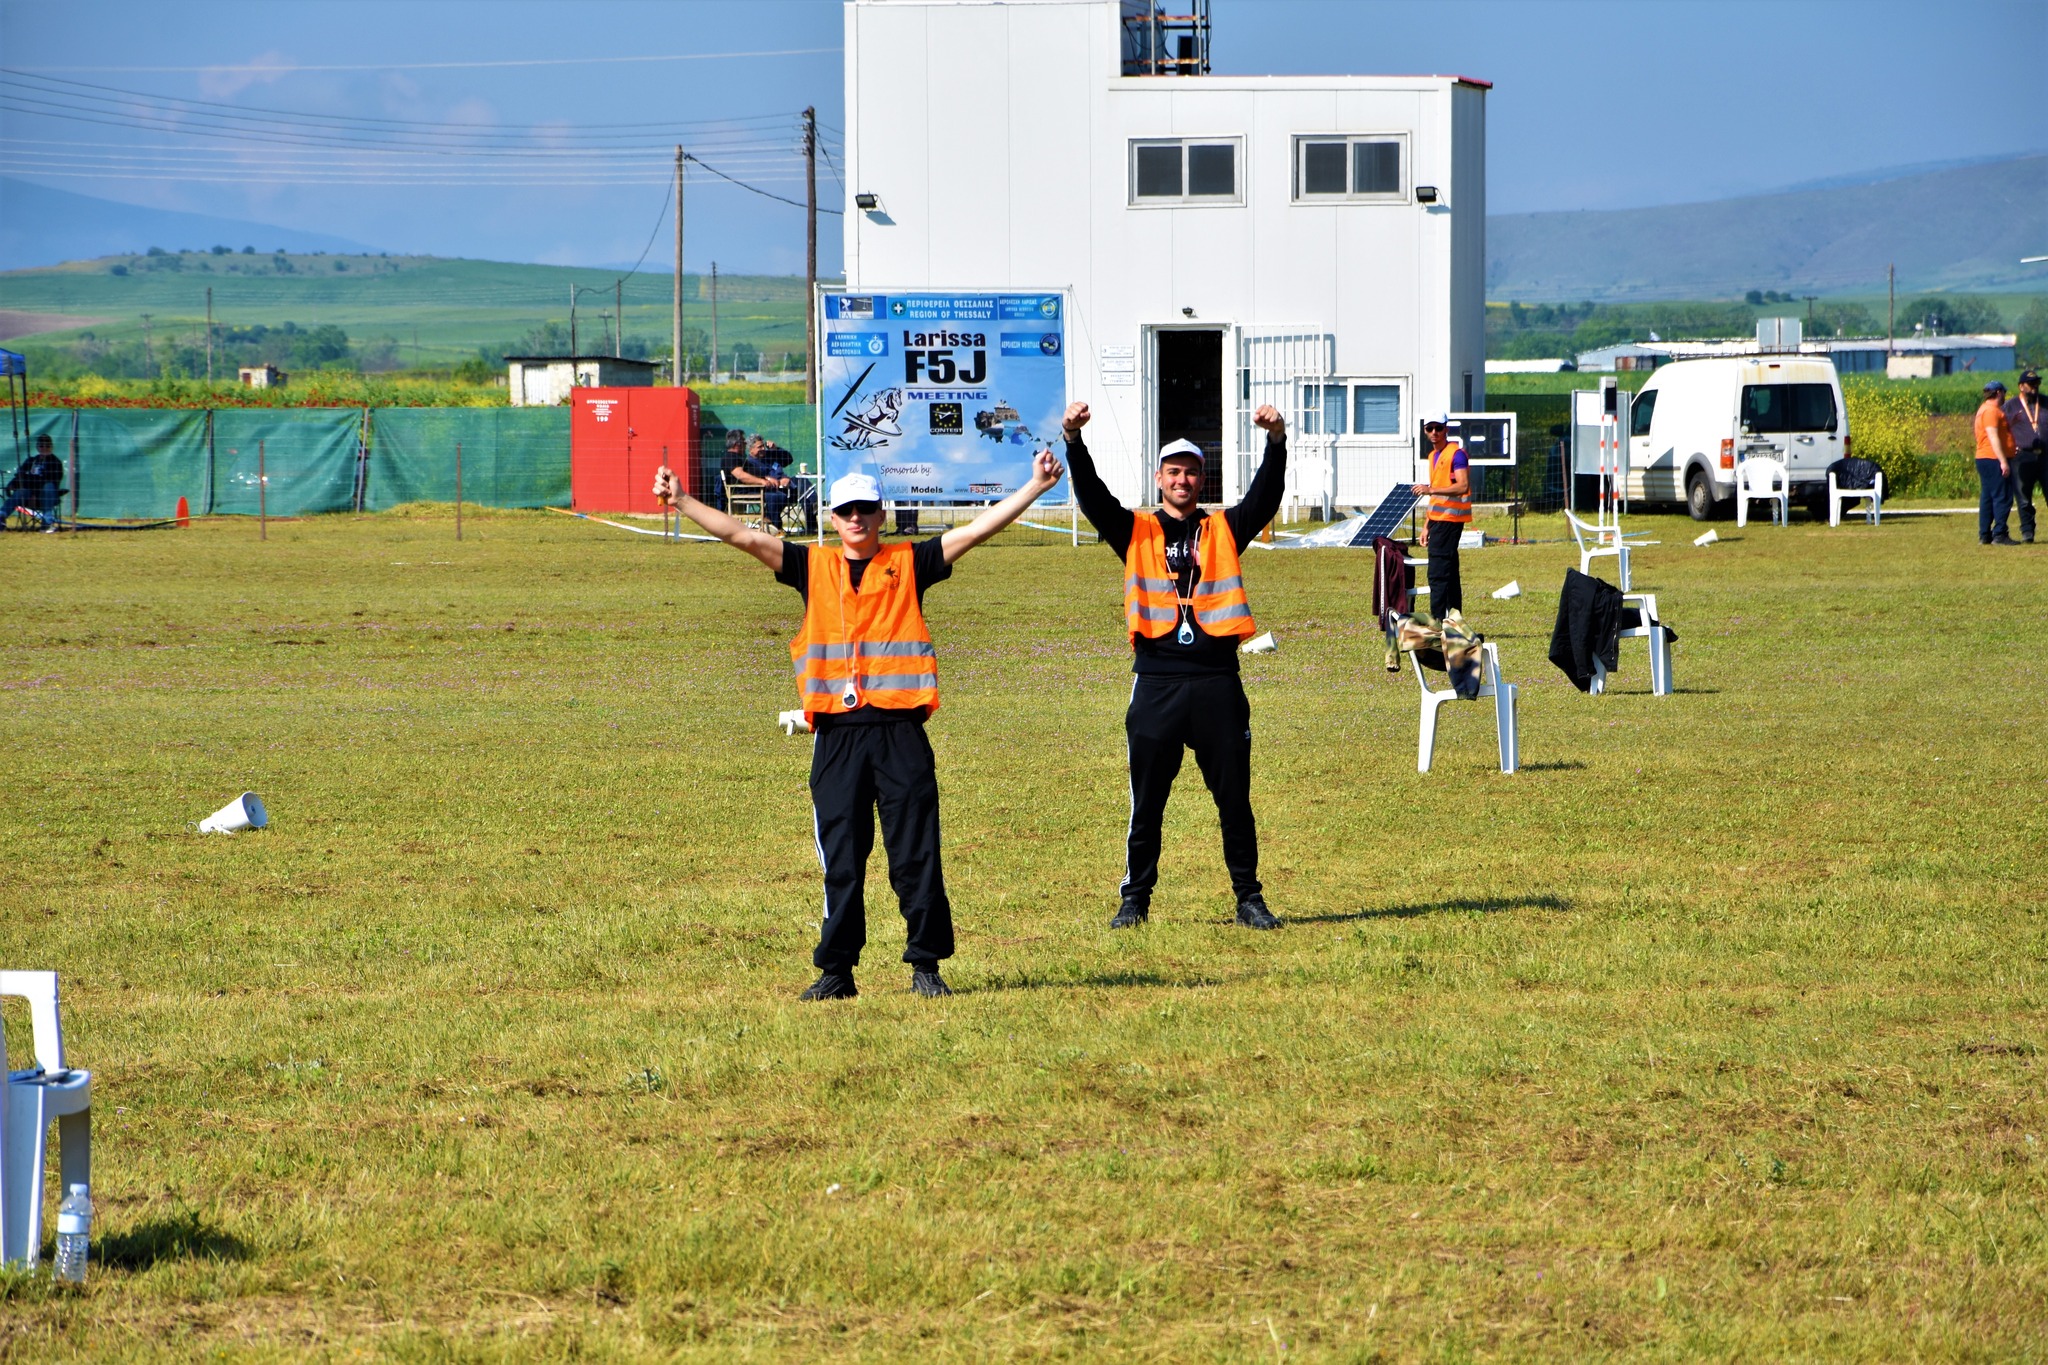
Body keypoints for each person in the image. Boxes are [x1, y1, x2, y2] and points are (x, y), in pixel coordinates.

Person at [671, 451, 1067, 1000]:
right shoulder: (812, 567)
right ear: (831, 519)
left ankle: (925, 965)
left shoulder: (909, 563)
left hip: (900, 734)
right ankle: (838, 972)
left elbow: (977, 530)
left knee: (916, 854)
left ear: (881, 516)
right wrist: (684, 501)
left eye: (866, 510)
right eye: (846, 511)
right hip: (836, 736)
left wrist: (1033, 487)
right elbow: (744, 537)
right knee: (842, 859)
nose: (856, 519)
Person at [1061, 401, 1287, 931]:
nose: (1182, 479)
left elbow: (1266, 496)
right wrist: (1074, 440)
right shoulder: (1135, 531)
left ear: (1201, 479)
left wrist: (1276, 442)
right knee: (1148, 804)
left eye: (1191, 471)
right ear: (1159, 478)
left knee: (1235, 799)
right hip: (1157, 682)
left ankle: (1248, 898)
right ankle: (1134, 900)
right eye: (1173, 471)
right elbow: (1093, 497)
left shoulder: (1225, 529)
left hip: (1216, 682)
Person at [1410, 414, 1470, 614]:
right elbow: (1435, 493)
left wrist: (1430, 490)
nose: (1434, 432)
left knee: (1437, 573)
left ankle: (1436, 623)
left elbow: (1463, 485)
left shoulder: (1456, 454)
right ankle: (1455, 620)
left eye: (1438, 428)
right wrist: (1427, 525)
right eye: (1429, 428)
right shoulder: (1432, 456)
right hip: (1437, 520)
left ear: (1446, 429)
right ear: (1425, 431)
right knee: (1450, 573)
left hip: (1450, 521)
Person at [1974, 380, 2018, 546]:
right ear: (1998, 392)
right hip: (1993, 458)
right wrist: (2003, 461)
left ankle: (1985, 534)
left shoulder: (1983, 410)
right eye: (2004, 393)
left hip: (1984, 457)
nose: (2005, 396)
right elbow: (1992, 436)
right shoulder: (1991, 411)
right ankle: (1999, 533)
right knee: (2003, 496)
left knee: (1987, 496)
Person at [746, 435, 817, 535]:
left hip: (788, 487)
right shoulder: (749, 463)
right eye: (759, 447)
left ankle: (813, 521)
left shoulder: (770, 455)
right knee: (777, 496)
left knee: (803, 482)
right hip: (771, 490)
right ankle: (775, 527)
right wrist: (779, 482)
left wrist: (776, 449)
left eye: (763, 446)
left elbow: (788, 459)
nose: (763, 449)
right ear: (751, 449)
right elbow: (757, 478)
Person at [2005, 370, 2044, 545]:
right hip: (2022, 457)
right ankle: (2027, 531)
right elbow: (1999, 429)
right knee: (2023, 497)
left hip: (2045, 457)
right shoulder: (2010, 406)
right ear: (2021, 387)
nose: (2035, 387)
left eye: (2037, 383)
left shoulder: (2046, 402)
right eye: (2031, 384)